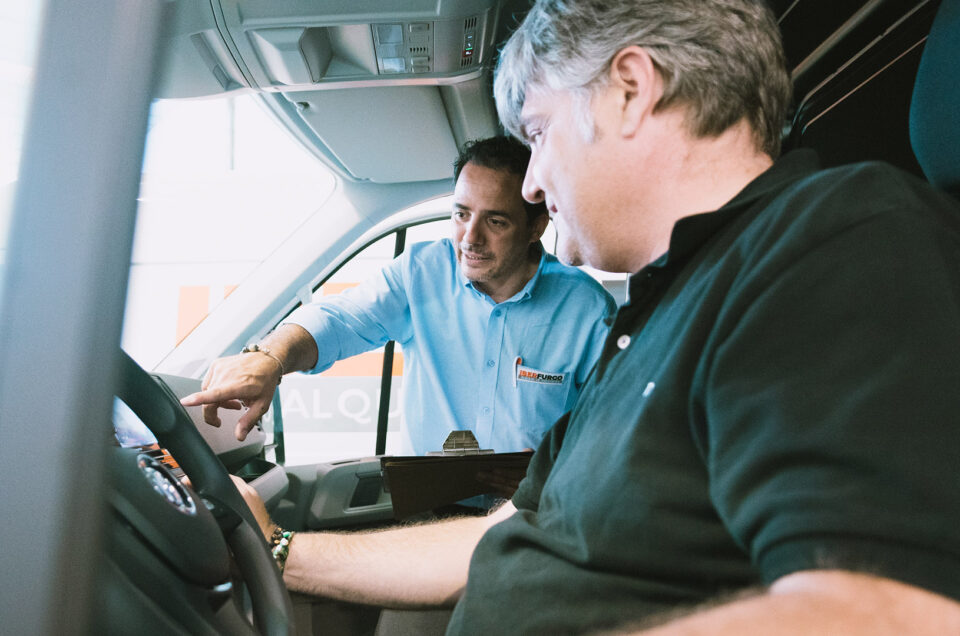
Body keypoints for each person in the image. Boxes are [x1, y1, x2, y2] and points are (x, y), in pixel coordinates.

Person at [229, 0, 960, 634]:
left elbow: (892, 612)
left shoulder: (839, 239)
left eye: (540, 133)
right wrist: (280, 549)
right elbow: (500, 539)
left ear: (630, 91)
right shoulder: (647, 326)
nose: (538, 182)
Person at [182, 136, 615, 464]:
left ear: (536, 227)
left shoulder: (588, 313)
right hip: (428, 515)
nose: (470, 238)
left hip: (531, 520)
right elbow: (340, 319)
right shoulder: (421, 273)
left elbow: (606, 436)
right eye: (461, 214)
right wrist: (270, 360)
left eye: (496, 221)